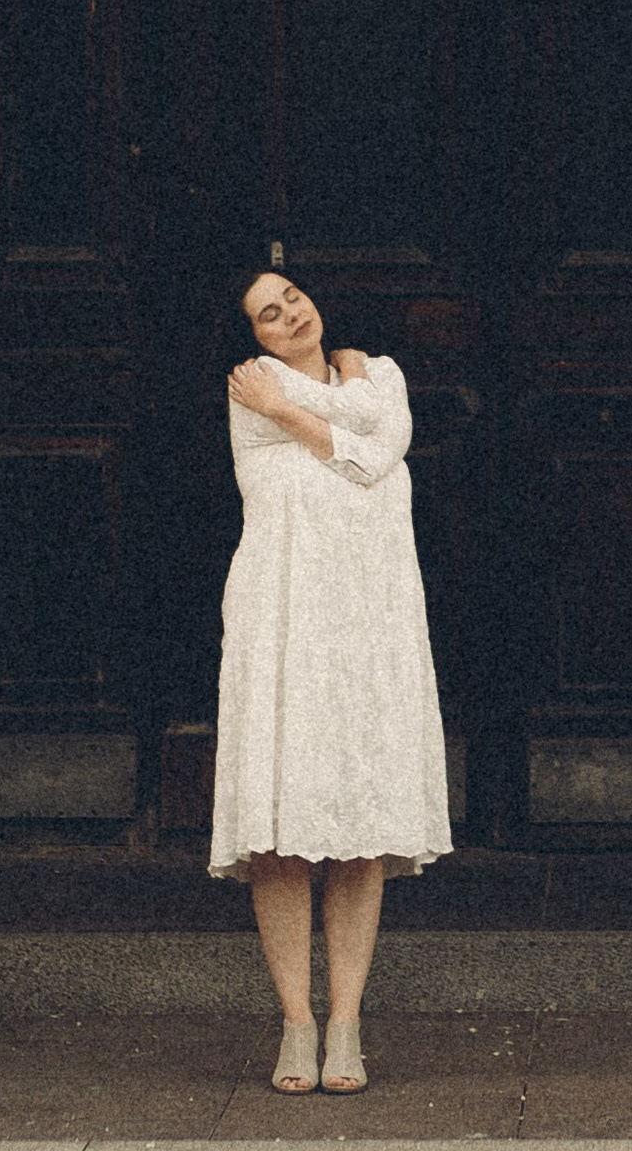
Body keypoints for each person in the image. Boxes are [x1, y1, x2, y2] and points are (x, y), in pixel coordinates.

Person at [215, 255, 451, 1093]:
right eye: (268, 315)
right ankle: (296, 1023)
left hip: (366, 622)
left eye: (293, 299)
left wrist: (304, 402)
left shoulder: (373, 373)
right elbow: (362, 450)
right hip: (282, 620)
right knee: (279, 834)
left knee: (358, 829)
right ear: (251, 342)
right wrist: (324, 404)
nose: (290, 316)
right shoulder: (250, 395)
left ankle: (346, 1023)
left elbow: (381, 455)